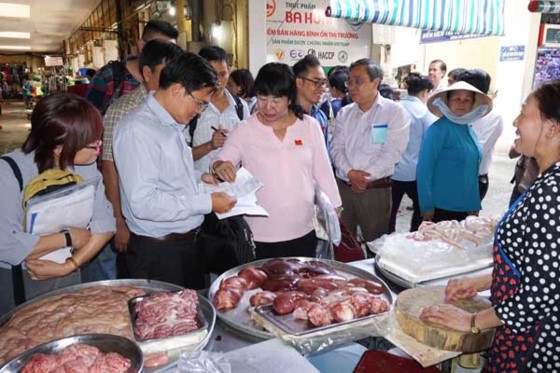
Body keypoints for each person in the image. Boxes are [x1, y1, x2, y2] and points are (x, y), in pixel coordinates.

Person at [420, 80, 560, 372]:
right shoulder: (547, 182)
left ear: (551, 128)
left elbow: (541, 294)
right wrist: (482, 281)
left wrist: (471, 322)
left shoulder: (552, 193)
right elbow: (532, 265)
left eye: (524, 113)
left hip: (536, 344)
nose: (515, 121)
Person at [113, 53, 236, 289]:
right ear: (178, 89)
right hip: (159, 255)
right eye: (200, 103)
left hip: (185, 247)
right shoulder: (138, 130)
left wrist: (201, 183)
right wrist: (207, 203)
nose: (200, 112)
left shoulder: (173, 124)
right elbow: (144, 203)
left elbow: (170, 180)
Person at [0, 93, 115, 316]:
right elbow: (6, 243)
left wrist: (70, 264)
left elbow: (106, 224)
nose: (99, 148)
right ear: (60, 147)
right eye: (93, 144)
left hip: (67, 273)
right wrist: (69, 238)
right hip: (23, 279)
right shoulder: (8, 173)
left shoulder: (85, 166)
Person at [211, 62, 341, 259]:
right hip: (259, 234)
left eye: (276, 100)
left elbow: (323, 172)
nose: (268, 107)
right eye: (262, 99)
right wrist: (222, 166)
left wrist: (336, 208)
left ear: (289, 98)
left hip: (303, 229)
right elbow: (221, 161)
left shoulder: (309, 126)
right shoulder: (245, 129)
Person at [89, 40, 184, 281]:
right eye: (166, 75)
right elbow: (110, 170)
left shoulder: (175, 108)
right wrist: (119, 222)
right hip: (136, 223)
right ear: (147, 73)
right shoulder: (124, 110)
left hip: (167, 221)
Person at [331, 58, 410, 242]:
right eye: (349, 81)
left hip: (375, 192)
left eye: (358, 81)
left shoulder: (394, 112)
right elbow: (336, 148)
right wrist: (351, 174)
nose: (352, 86)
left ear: (376, 82)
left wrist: (363, 178)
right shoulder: (345, 113)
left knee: (376, 245)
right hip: (344, 189)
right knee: (345, 245)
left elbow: (392, 152)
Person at [417, 81, 492, 223]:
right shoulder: (438, 130)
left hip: (466, 208)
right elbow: (424, 170)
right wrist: (426, 206)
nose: (461, 103)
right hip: (441, 208)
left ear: (472, 104)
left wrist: (473, 205)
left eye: (467, 100)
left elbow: (471, 171)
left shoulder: (468, 129)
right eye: (456, 98)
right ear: (447, 101)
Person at [85, 20, 178, 115]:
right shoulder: (109, 77)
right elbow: (87, 121)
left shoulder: (173, 80)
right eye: (159, 49)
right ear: (142, 45)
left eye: (171, 50)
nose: (166, 56)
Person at [189, 46, 249, 173]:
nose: (219, 81)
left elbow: (248, 149)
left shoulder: (241, 107)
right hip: (200, 185)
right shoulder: (191, 107)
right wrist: (210, 145)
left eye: (223, 74)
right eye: (213, 75)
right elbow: (180, 157)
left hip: (232, 185)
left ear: (229, 71)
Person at [390, 73, 436, 233]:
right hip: (415, 173)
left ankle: (387, 240)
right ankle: (413, 235)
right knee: (421, 209)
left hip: (392, 171)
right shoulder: (425, 113)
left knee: (390, 211)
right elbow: (429, 146)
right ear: (425, 92)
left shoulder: (393, 108)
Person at [457, 69, 504, 201]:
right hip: (450, 176)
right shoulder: (455, 112)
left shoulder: (493, 118)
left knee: (463, 220)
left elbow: (475, 153)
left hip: (472, 180)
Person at [293, 55, 329, 144]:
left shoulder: (320, 117)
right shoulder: (286, 117)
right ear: (299, 82)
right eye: (316, 82)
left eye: (323, 83)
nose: (322, 88)